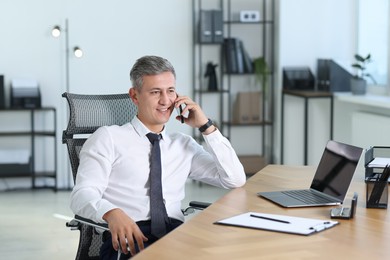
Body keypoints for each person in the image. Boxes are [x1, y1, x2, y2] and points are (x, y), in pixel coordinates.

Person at [70, 55, 246, 259]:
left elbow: (234, 179)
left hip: (177, 239)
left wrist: (206, 127)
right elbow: (82, 194)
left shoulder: (183, 144)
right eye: (155, 92)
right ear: (134, 96)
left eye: (170, 91)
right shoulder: (108, 138)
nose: (165, 101)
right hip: (131, 239)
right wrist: (112, 213)